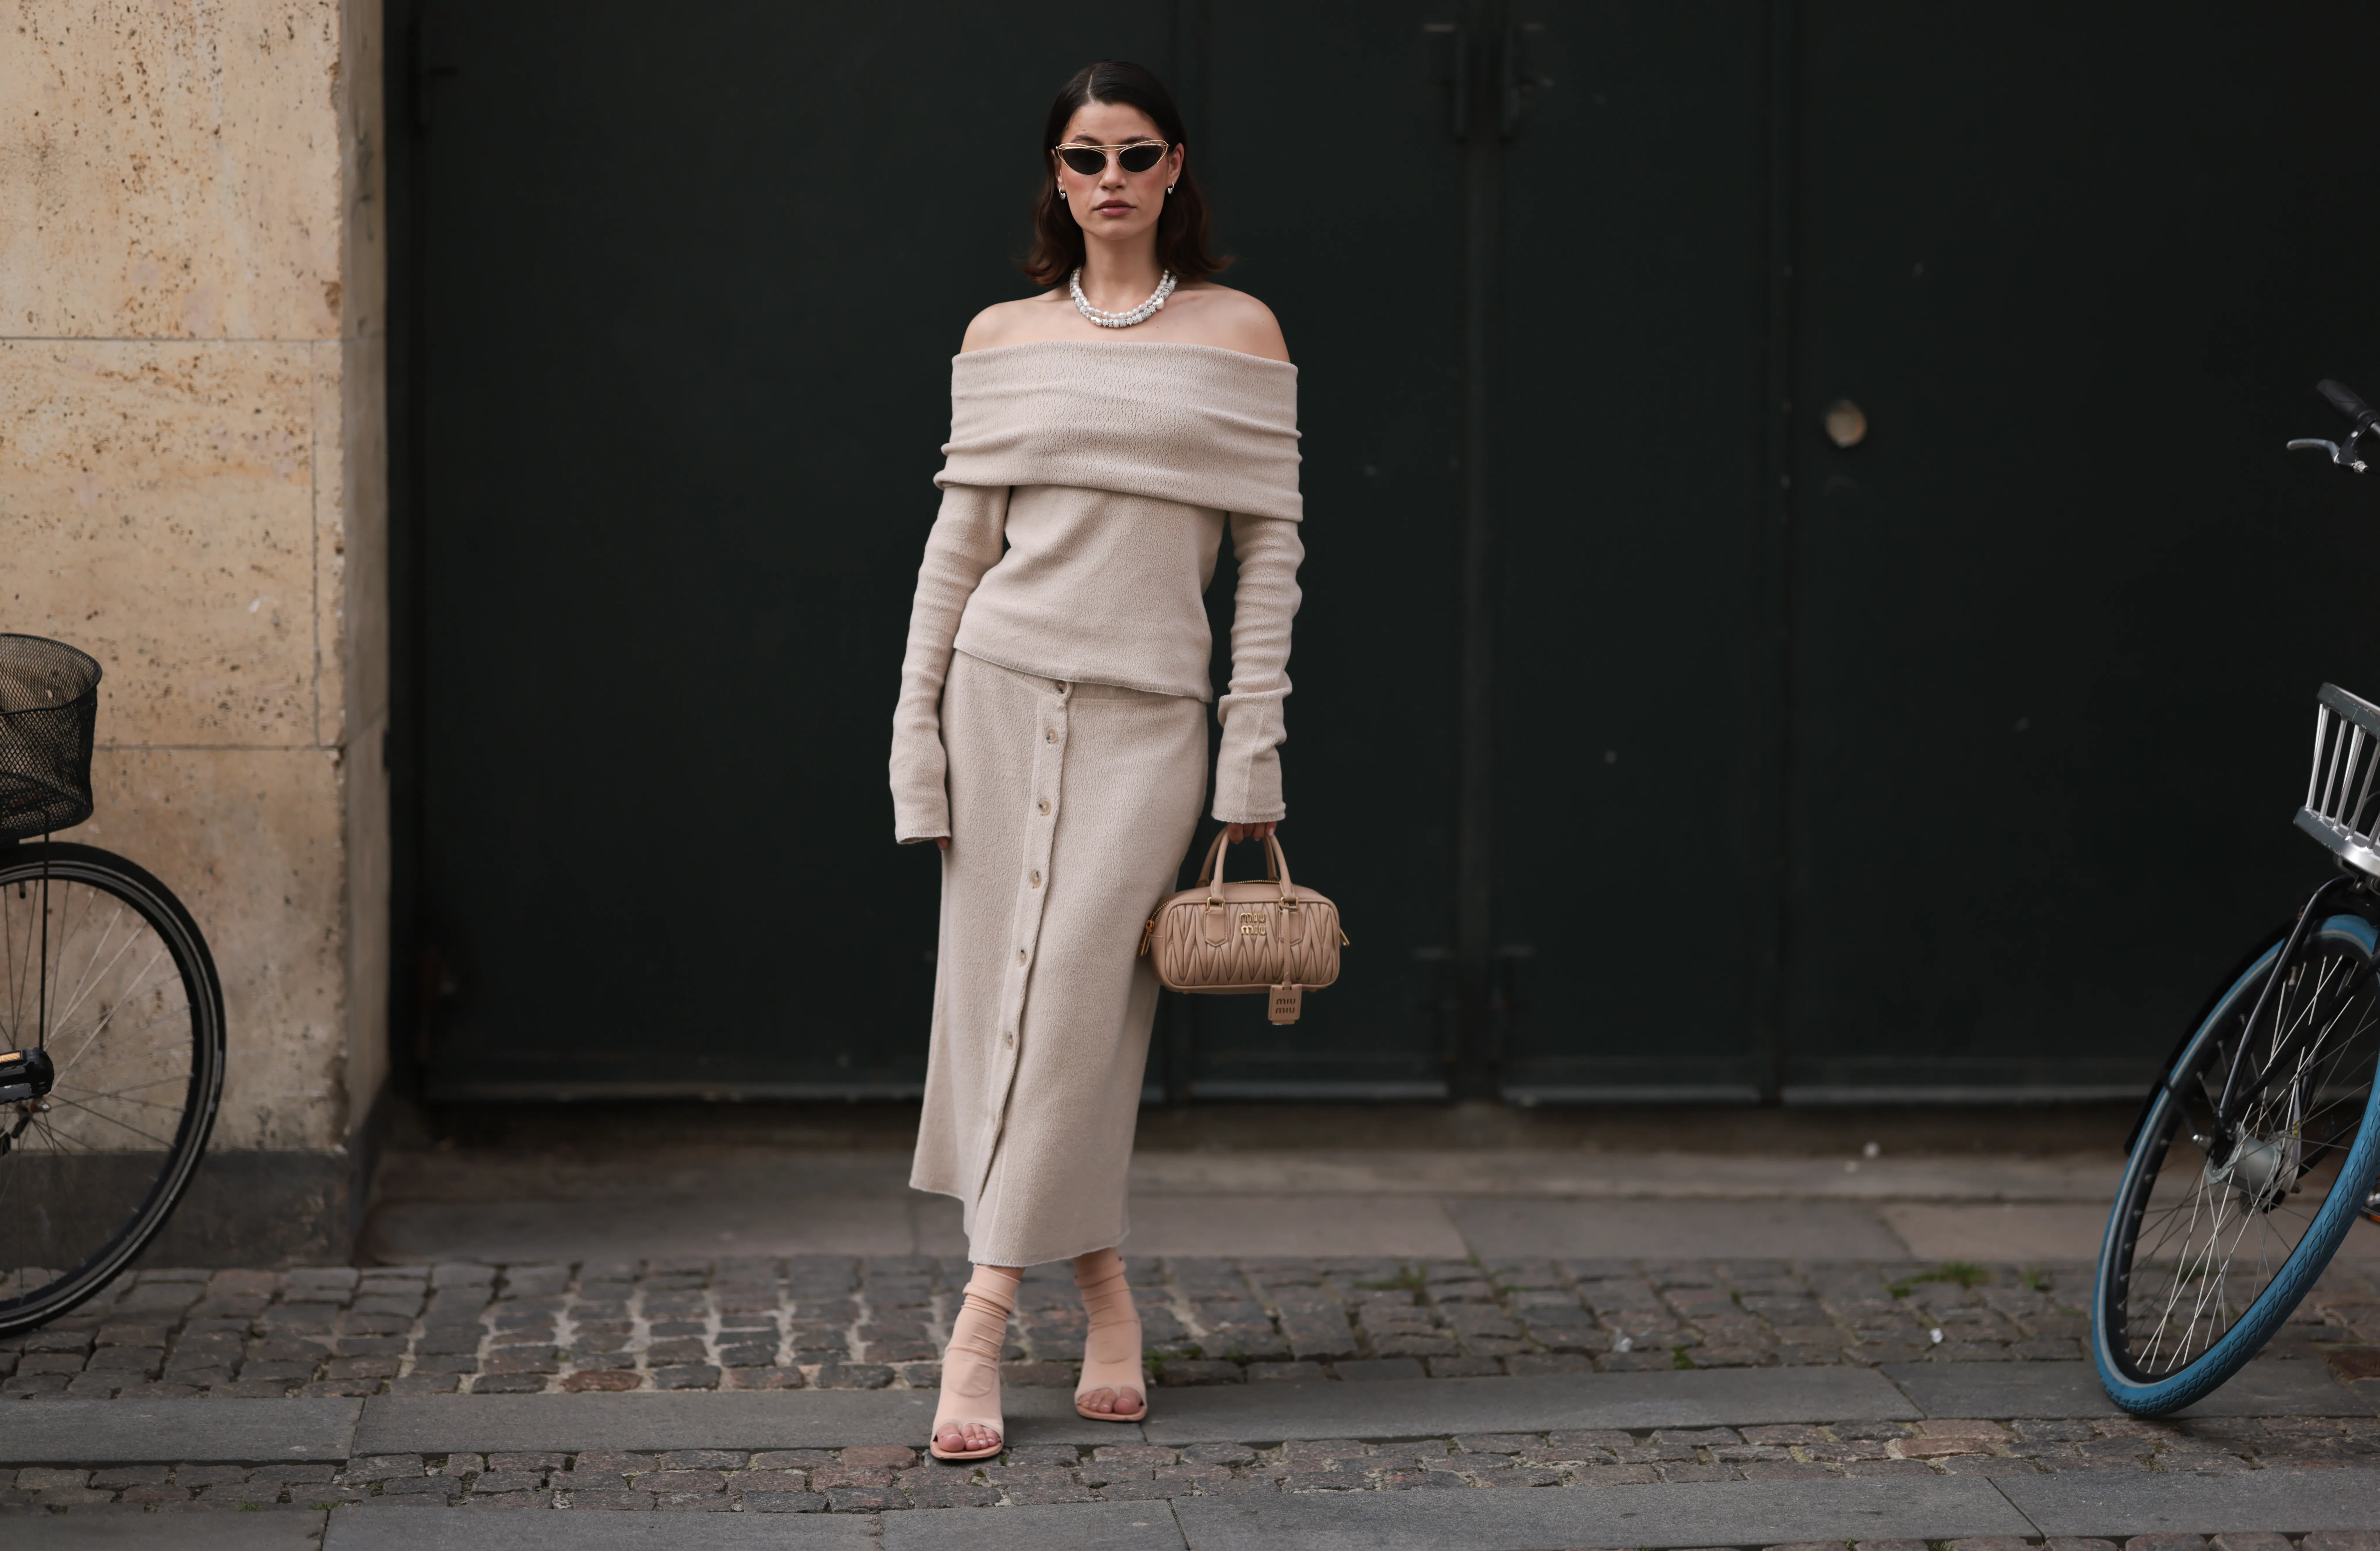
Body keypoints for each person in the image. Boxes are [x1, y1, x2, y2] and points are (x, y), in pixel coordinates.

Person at [887, 58, 1304, 1461]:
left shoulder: (1240, 333)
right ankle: (1105, 1298)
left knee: (1072, 1000)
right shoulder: (999, 336)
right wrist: (913, 741)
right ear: (1054, 179)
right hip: (994, 698)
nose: (1110, 180)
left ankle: (979, 1323)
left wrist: (1251, 757)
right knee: (996, 1002)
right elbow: (955, 555)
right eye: (1083, 158)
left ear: (1175, 169)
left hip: (1146, 722)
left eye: (1135, 155)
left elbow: (1270, 564)